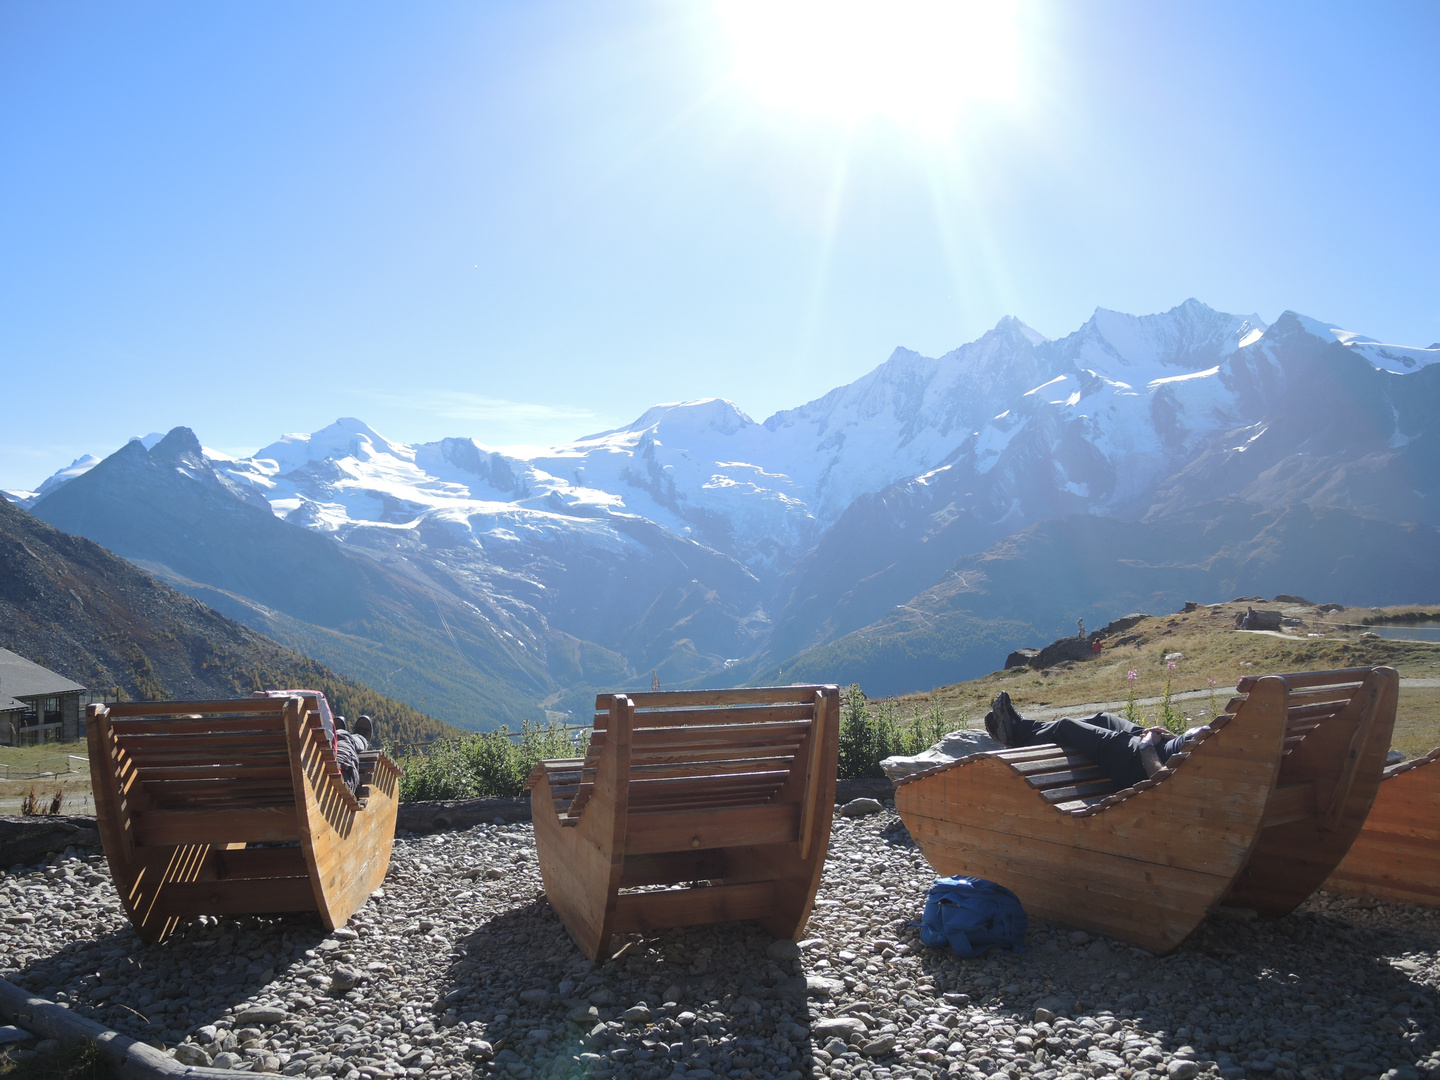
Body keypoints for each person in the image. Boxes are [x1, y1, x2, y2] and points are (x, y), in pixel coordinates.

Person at [985, 691, 1199, 789]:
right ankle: (1020, 728)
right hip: (1157, 747)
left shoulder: (1225, 748)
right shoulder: (1226, 734)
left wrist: (1147, 745)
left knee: (1066, 726)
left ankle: (1018, 734)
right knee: (1105, 719)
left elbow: (1163, 781)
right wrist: (1174, 737)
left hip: (1139, 762)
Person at [334, 714, 373, 794]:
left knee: (339, 740)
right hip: (343, 781)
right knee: (344, 739)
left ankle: (338, 737)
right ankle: (361, 738)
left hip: (322, 776)